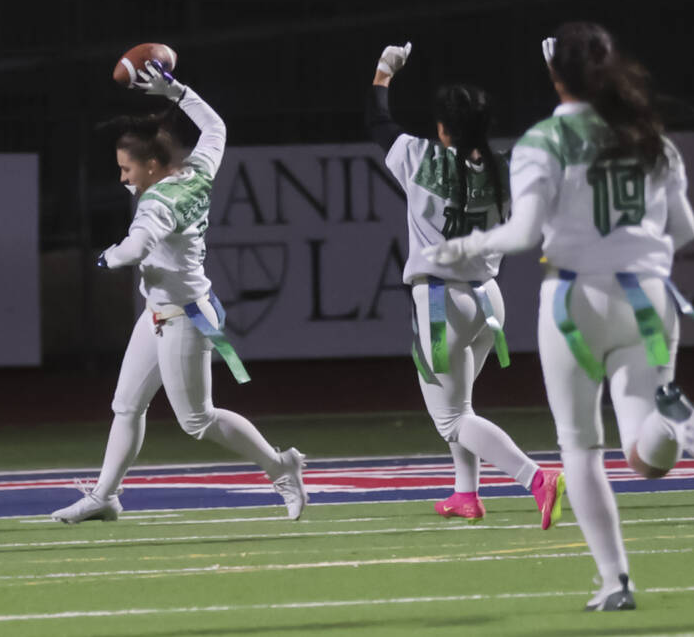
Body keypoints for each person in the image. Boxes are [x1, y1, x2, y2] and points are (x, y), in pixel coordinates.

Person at [423, 22, 694, 611]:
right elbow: (684, 228)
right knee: (642, 446)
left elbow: (526, 232)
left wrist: (458, 249)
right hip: (650, 294)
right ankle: (667, 423)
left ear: (555, 76)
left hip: (577, 298)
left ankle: (615, 582)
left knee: (582, 449)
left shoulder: (544, 140)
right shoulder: (648, 133)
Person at [50, 60, 308, 524]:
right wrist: (178, 92)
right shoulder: (195, 171)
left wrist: (108, 256)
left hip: (186, 318)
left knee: (198, 420)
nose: (123, 178)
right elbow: (215, 127)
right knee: (126, 404)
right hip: (162, 311)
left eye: (127, 169)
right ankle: (105, 496)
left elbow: (136, 246)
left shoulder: (158, 204)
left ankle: (280, 466)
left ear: (151, 165)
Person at [366, 42, 565, 528]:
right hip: (486, 301)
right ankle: (465, 494)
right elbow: (559, 136)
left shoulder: (418, 158)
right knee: (462, 407)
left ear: (442, 128)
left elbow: (375, 122)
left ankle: (536, 478)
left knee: (452, 418)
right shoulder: (507, 167)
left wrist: (384, 70)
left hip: (438, 305)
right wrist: (561, 78)